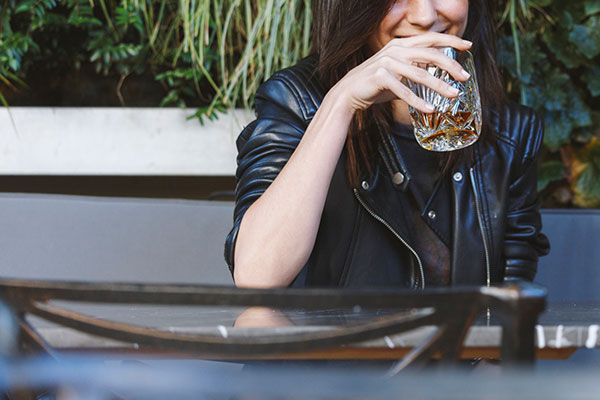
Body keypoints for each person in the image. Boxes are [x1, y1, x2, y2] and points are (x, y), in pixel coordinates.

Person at [225, 0, 549, 289]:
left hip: (449, 356)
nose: (424, 15)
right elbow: (256, 276)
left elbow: (509, 308)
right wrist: (340, 103)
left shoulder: (511, 132)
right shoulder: (296, 101)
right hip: (325, 355)